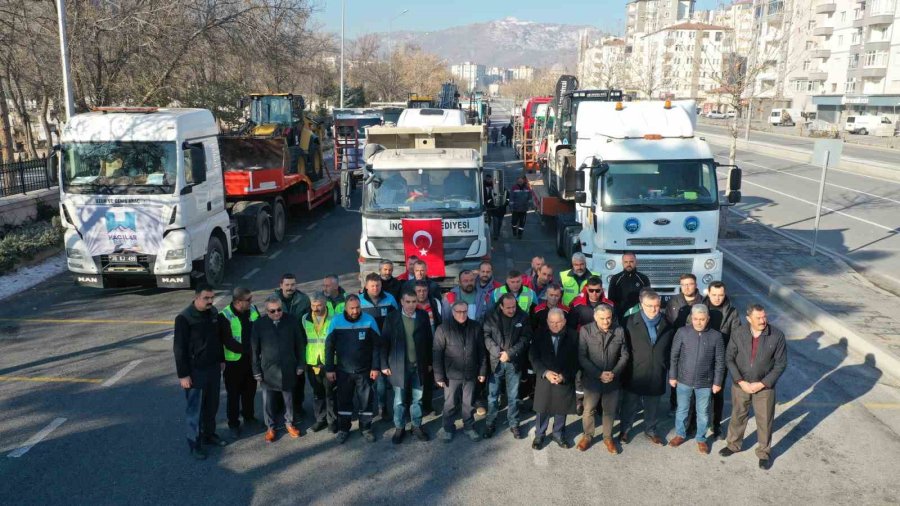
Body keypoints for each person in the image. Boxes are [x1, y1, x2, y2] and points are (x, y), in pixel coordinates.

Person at [719, 304, 788, 470]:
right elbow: (729, 358)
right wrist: (740, 381)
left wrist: (762, 383)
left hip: (764, 387)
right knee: (738, 415)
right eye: (759, 318)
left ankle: (764, 453)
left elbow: (780, 364)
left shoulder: (776, 336)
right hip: (740, 384)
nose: (763, 320)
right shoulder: (738, 333)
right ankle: (733, 445)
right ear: (749, 319)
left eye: (764, 317)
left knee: (764, 420)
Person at [174, 285, 227, 460]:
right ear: (197, 297)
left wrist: (221, 359)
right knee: (194, 410)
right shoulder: (184, 318)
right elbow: (179, 349)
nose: (210, 301)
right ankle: (194, 444)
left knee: (212, 405)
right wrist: (183, 375)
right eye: (206, 298)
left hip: (212, 368)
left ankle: (209, 434)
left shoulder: (213, 313)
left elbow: (217, 339)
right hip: (195, 371)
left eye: (212, 297)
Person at [620, 290, 675, 446]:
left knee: (653, 405)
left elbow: (671, 349)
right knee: (630, 404)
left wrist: (669, 368)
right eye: (649, 306)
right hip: (635, 371)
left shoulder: (668, 324)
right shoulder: (629, 322)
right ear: (641, 305)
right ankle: (625, 429)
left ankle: (651, 430)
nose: (653, 309)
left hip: (657, 371)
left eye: (657, 306)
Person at [668, 304, 725, 454]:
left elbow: (720, 361)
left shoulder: (716, 336)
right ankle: (680, 434)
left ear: (708, 319)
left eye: (702, 319)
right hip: (683, 381)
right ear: (691, 318)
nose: (699, 322)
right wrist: (673, 376)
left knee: (703, 413)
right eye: (695, 319)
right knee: (682, 410)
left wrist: (717, 382)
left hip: (705, 383)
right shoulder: (682, 332)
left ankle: (701, 438)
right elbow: (674, 356)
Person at [325, 295, 382, 444]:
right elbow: (329, 347)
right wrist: (329, 369)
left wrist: (376, 367)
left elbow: (377, 346)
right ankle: (344, 429)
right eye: (352, 308)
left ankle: (366, 428)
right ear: (345, 308)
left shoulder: (369, 320)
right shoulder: (336, 321)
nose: (355, 311)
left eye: (357, 307)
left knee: (366, 401)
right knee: (344, 402)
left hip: (365, 370)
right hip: (343, 371)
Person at [381, 290, 434, 443]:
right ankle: (399, 427)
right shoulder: (392, 317)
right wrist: (384, 364)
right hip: (399, 366)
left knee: (417, 398)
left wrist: (429, 362)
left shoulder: (423, 316)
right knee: (399, 400)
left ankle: (416, 426)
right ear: (402, 302)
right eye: (408, 302)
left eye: (414, 301)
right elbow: (385, 342)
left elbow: (429, 341)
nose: (411, 305)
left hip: (419, 365)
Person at [251, 295, 306, 442]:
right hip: (267, 370)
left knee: (288, 400)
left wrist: (301, 364)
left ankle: (289, 423)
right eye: (272, 311)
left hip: (288, 368)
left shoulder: (291, 320)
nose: (276, 313)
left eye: (279, 310)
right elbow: (254, 350)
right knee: (268, 402)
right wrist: (256, 371)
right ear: (266, 311)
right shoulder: (259, 324)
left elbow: (300, 344)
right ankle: (270, 427)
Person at [433, 300, 488, 442]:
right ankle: (447, 428)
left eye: (464, 311)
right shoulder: (443, 328)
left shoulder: (475, 327)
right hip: (451, 375)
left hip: (470, 373)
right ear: (452, 312)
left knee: (468, 403)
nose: (462, 314)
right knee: (450, 403)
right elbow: (437, 354)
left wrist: (482, 371)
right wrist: (439, 376)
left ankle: (469, 427)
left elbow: (481, 351)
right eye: (458, 311)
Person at [577, 304, 629, 454]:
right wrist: (598, 374)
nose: (606, 322)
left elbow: (624, 355)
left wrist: (614, 373)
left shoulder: (619, 330)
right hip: (592, 380)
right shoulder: (586, 331)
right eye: (602, 319)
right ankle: (587, 436)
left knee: (610, 411)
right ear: (595, 317)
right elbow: (582, 356)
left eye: (608, 318)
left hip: (612, 379)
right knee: (588, 410)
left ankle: (608, 437)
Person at [483, 293, 534, 439]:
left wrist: (510, 353)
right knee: (493, 396)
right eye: (508, 308)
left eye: (514, 306)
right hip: (495, 362)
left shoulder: (523, 317)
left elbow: (526, 338)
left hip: (514, 362)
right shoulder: (491, 317)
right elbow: (486, 336)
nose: (512, 310)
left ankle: (514, 424)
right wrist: (497, 352)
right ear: (500, 306)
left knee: (513, 396)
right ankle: (490, 423)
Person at [530, 308, 578, 450]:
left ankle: (558, 433)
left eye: (558, 322)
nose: (555, 325)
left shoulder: (574, 336)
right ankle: (540, 434)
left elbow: (576, 360)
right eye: (551, 322)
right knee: (542, 407)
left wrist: (565, 375)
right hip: (545, 377)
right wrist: (545, 372)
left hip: (564, 377)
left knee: (561, 408)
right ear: (547, 321)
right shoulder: (539, 334)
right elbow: (533, 356)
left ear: (564, 321)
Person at [218, 287, 259, 439]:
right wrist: (249, 350)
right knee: (233, 395)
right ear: (237, 302)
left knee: (250, 391)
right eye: (248, 300)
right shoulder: (224, 316)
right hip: (233, 363)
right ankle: (233, 423)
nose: (251, 303)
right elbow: (228, 341)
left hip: (250, 361)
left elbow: (259, 328)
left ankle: (249, 416)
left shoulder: (253, 310)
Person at [703, 281, 742, 438]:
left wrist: (729, 357)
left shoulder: (732, 312)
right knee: (698, 391)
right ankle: (693, 422)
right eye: (714, 295)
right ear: (709, 294)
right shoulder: (699, 308)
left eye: (721, 295)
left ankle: (716, 424)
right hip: (702, 357)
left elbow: (737, 337)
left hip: (721, 358)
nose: (717, 298)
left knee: (717, 392)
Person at [274, 273, 311, 419]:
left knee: (299, 378)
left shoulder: (303, 299)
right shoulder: (273, 300)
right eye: (287, 285)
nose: (290, 288)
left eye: (293, 285)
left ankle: (298, 406)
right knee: (278, 377)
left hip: (298, 344)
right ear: (281, 285)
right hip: (279, 346)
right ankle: (279, 407)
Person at [664, 273, 702, 413]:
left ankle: (694, 409)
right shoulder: (673, 302)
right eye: (683, 284)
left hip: (697, 346)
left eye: (690, 284)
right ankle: (674, 405)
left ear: (696, 285)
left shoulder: (704, 302)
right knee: (676, 377)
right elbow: (668, 324)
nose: (686, 287)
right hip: (677, 346)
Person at [302, 292, 337, 433]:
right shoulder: (305, 318)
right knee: (317, 393)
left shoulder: (333, 319)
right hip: (312, 362)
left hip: (329, 362)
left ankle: (332, 421)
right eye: (313, 305)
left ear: (325, 303)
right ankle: (320, 419)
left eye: (319, 305)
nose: (315, 309)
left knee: (331, 393)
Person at [608, 252, 651, 325]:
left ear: (635, 262)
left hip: (638, 316)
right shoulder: (615, 279)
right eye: (626, 262)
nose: (628, 264)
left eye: (631, 261)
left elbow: (648, 298)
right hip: (621, 315)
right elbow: (611, 300)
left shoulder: (643, 278)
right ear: (622, 263)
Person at [484, 174, 507, 241]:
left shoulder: (504, 189)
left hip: (501, 209)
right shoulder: (486, 186)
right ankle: (494, 235)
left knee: (499, 222)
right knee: (493, 221)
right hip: (492, 208)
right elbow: (489, 198)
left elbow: (507, 197)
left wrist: (506, 203)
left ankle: (497, 232)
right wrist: (490, 202)